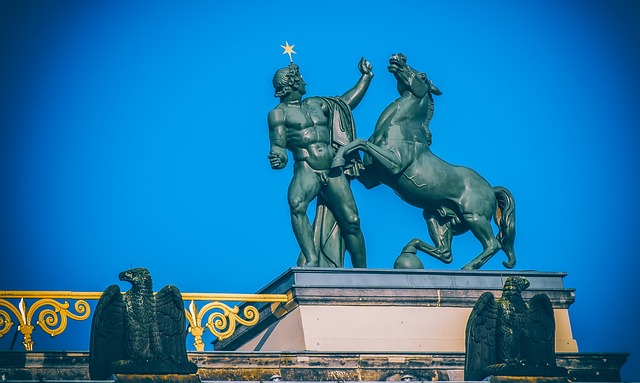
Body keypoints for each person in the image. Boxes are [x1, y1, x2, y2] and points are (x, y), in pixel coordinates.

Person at [268, 58, 373, 268]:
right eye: (301, 78)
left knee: (352, 222)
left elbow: (346, 104)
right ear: (293, 83)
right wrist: (279, 157)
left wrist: (365, 78)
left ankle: (363, 271)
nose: (305, 81)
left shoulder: (316, 104)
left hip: (332, 169)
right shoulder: (278, 114)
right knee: (297, 204)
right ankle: (311, 258)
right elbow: (278, 145)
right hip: (307, 169)